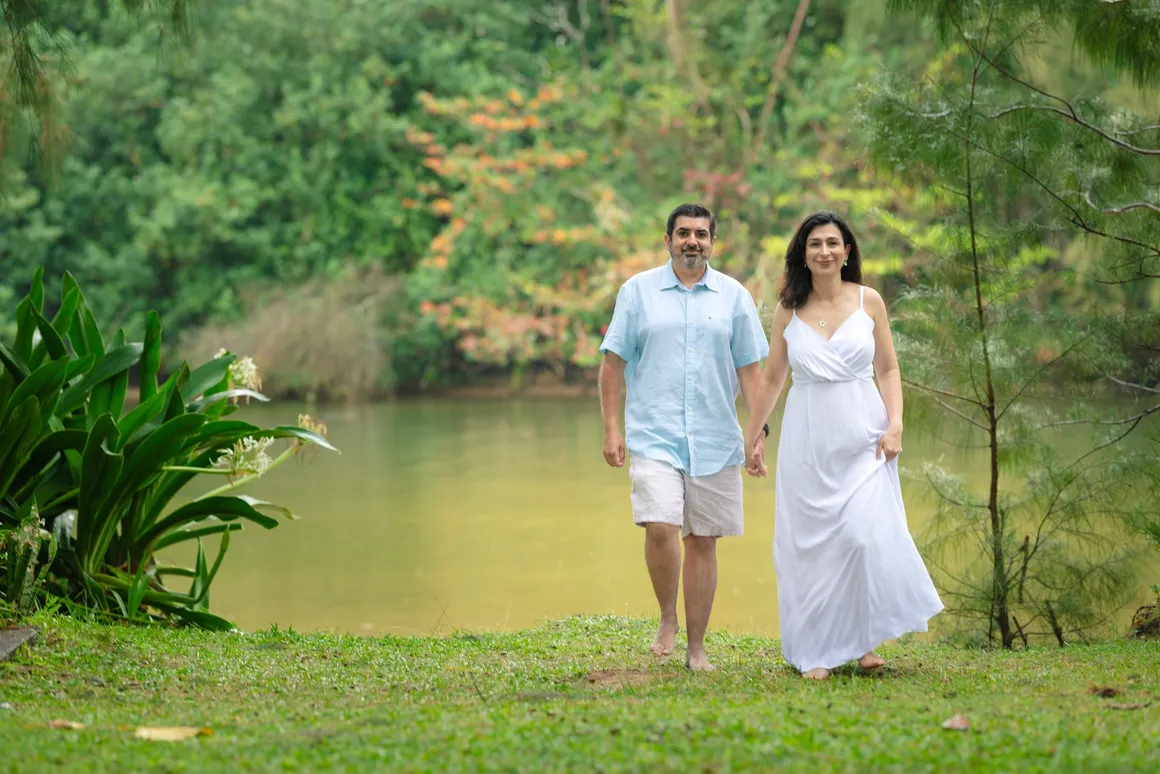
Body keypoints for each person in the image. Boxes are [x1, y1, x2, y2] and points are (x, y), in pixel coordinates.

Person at [742, 210, 943, 680]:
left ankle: (863, 638)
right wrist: (753, 437)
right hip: (809, 441)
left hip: (864, 437)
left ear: (847, 251)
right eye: (815, 244)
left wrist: (896, 424)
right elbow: (771, 379)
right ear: (803, 254)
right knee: (812, 545)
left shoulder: (869, 301)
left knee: (862, 535)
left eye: (832, 243)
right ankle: (816, 650)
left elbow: (888, 369)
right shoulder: (788, 309)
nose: (824, 251)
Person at [599, 203, 770, 672]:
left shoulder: (734, 297)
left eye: (700, 233)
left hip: (716, 436)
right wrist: (612, 428)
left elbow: (751, 372)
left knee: (703, 540)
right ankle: (667, 617)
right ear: (668, 240)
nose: (692, 241)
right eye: (683, 233)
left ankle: (697, 649)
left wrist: (758, 433)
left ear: (712, 241)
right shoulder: (637, 292)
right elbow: (612, 365)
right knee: (660, 525)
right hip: (654, 433)